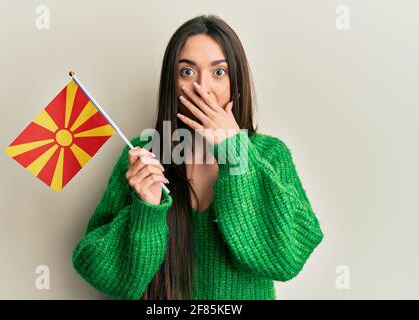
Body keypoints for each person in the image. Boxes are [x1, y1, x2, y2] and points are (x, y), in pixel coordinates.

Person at [72, 14, 324, 300]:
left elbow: (287, 258)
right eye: (187, 72)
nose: (202, 88)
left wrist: (234, 151)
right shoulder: (145, 153)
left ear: (236, 84)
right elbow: (104, 273)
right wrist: (147, 209)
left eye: (219, 72)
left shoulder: (269, 154)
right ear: (172, 83)